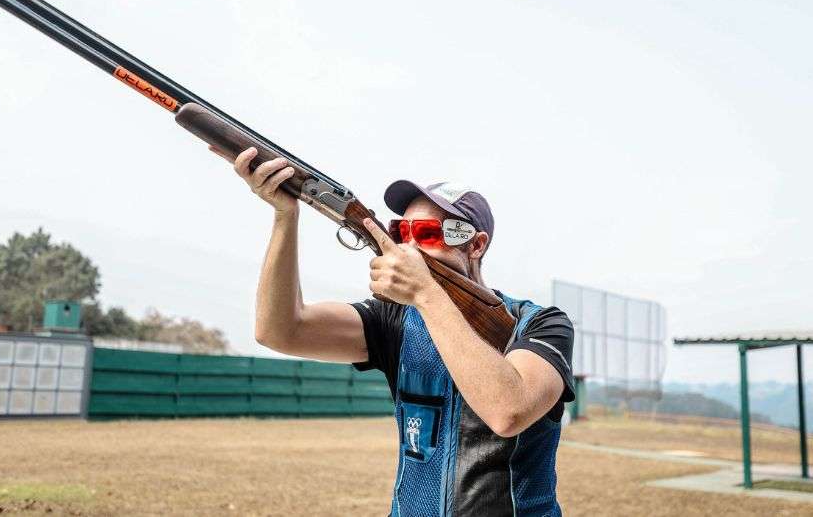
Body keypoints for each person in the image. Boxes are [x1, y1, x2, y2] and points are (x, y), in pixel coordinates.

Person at [222, 145, 575, 516]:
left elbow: (509, 411)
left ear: (475, 244)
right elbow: (281, 331)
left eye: (426, 233)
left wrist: (426, 294)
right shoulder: (395, 320)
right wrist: (284, 215)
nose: (407, 246)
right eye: (400, 231)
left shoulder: (540, 323)